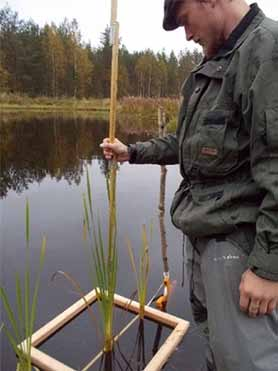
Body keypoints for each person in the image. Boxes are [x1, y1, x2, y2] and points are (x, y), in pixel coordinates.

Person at [101, 1, 278, 370]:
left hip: (240, 252)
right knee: (219, 355)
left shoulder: (267, 51)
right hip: (202, 242)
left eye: (185, 21)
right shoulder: (210, 68)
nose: (187, 34)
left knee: (247, 362)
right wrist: (130, 152)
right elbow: (184, 143)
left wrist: (267, 269)